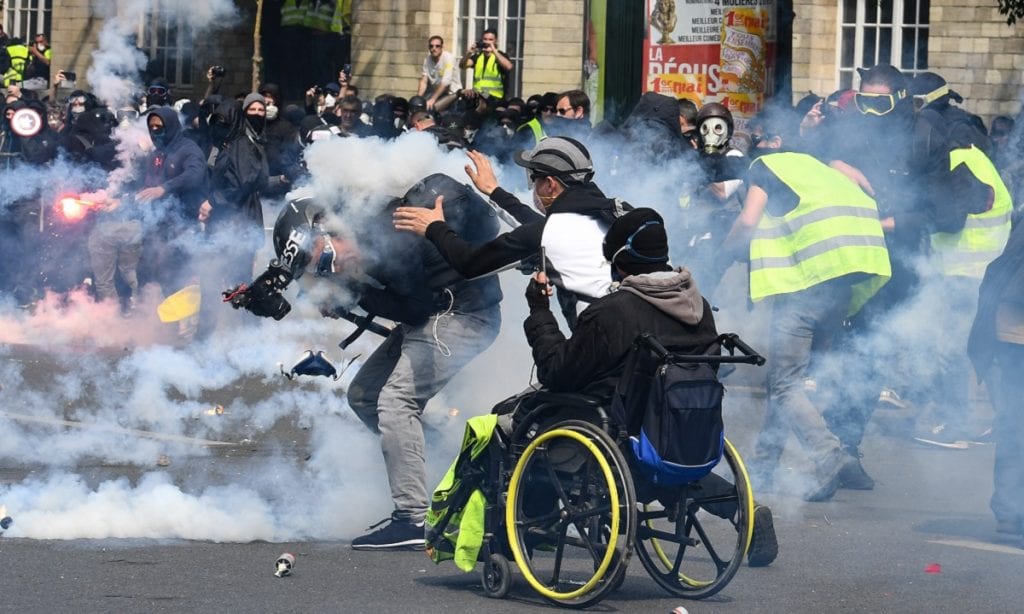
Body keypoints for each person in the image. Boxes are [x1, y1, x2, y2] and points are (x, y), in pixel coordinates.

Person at [521, 207, 778, 566]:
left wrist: (540, 312)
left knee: (520, 426)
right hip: (679, 432)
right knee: (651, 447)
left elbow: (557, 373)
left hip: (618, 434)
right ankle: (740, 508)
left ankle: (514, 537)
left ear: (618, 261)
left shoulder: (612, 311)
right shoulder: (699, 307)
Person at [723, 108, 892, 501]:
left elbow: (748, 222)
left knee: (786, 385)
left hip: (805, 289)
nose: (755, 148)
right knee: (785, 379)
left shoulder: (766, 166)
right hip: (841, 286)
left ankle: (829, 455)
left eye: (757, 139)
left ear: (770, 143)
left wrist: (721, 253)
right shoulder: (820, 168)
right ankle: (763, 465)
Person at [393, 136, 629, 329]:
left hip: (605, 347)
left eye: (534, 178)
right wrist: (494, 191)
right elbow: (539, 226)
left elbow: (470, 264)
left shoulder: (551, 232)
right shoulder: (614, 211)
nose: (533, 187)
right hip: (645, 334)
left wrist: (434, 227)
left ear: (550, 184)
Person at [968, 221, 1024, 545]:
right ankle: (1010, 509)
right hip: (1014, 328)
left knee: (1016, 421)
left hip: (1009, 329)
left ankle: (1010, 510)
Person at [460, 28, 512, 101]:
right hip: (478, 95)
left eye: (490, 40)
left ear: (496, 41)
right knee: (462, 95)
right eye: (485, 39)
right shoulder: (478, 56)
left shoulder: (500, 56)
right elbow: (462, 65)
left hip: (494, 97)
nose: (487, 42)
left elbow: (509, 67)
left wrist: (494, 50)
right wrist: (469, 53)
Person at [417, 35, 461, 113]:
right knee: (419, 107)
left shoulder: (448, 58)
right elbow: (424, 81)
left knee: (432, 108)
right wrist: (418, 98)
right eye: (431, 46)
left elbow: (445, 83)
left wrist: (433, 99)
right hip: (437, 94)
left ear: (441, 47)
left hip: (452, 94)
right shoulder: (427, 60)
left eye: (437, 46)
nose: (434, 49)